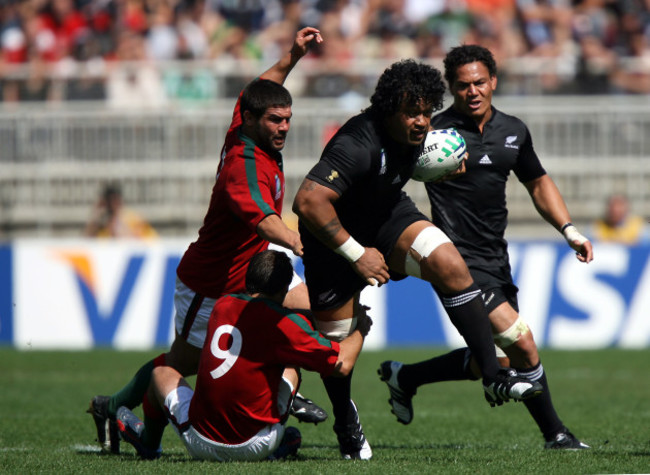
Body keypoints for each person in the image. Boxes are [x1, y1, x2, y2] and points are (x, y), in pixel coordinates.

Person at [88, 27, 328, 454]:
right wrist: (298, 240)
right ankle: (116, 405)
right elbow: (265, 221)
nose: (284, 128)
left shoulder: (247, 116)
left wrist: (293, 54)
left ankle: (283, 385)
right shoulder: (243, 167)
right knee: (187, 365)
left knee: (318, 307)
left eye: (288, 119)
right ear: (252, 119)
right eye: (275, 120)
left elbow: (265, 86)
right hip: (212, 284)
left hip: (254, 273)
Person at [292, 59, 542, 460]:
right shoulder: (357, 143)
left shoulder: (418, 135)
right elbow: (307, 202)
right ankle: (344, 419)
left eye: (427, 111)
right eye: (413, 112)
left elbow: (414, 167)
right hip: (333, 242)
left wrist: (439, 170)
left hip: (389, 217)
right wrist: (356, 254)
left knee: (451, 265)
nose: (424, 121)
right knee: (337, 362)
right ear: (389, 109)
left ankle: (492, 374)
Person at [377, 45, 593, 450]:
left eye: (479, 82)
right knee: (523, 343)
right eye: (462, 86)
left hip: (496, 256)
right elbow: (387, 187)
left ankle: (405, 378)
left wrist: (569, 229)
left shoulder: (514, 130)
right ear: (451, 89)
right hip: (456, 260)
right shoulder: (432, 135)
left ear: (493, 81)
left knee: (493, 361)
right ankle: (557, 435)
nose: (472, 91)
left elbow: (538, 182)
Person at [115, 250, 372, 462]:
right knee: (292, 365)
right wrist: (361, 326)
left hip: (200, 440)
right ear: (284, 289)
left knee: (161, 372)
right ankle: (277, 438)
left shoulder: (222, 305)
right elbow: (342, 364)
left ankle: (148, 443)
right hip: (256, 443)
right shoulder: (286, 325)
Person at [84, 183, 158, 239]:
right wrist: (95, 214)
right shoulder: (101, 222)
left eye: (115, 200)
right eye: (110, 201)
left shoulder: (131, 217)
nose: (113, 204)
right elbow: (87, 240)